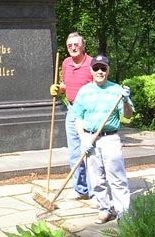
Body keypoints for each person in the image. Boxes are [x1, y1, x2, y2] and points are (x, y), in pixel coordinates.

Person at [73, 54, 133, 224]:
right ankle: (104, 209)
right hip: (90, 138)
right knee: (96, 179)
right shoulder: (84, 91)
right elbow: (78, 117)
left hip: (110, 139)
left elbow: (127, 116)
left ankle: (124, 213)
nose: (100, 71)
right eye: (96, 68)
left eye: (103, 68)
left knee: (117, 178)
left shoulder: (117, 90)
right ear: (91, 70)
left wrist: (126, 100)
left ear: (108, 70)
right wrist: (83, 138)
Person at [50, 32, 93, 199]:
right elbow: (65, 84)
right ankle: (81, 189)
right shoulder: (67, 63)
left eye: (76, 44)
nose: (73, 48)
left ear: (83, 46)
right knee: (75, 152)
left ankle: (95, 188)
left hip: (89, 112)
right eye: (70, 46)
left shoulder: (91, 63)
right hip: (72, 110)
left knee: (89, 150)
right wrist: (58, 89)